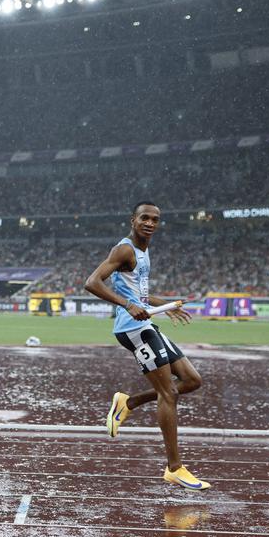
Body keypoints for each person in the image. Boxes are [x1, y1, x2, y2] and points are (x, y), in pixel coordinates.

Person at [84, 201, 209, 490]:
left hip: (146, 324)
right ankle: (174, 468)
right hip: (132, 329)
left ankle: (129, 402)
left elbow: (140, 295)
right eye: (145, 218)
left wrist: (165, 306)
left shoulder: (143, 251)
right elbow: (92, 282)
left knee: (191, 380)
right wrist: (127, 305)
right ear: (133, 220)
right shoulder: (124, 249)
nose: (150, 223)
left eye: (155, 219)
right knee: (169, 393)